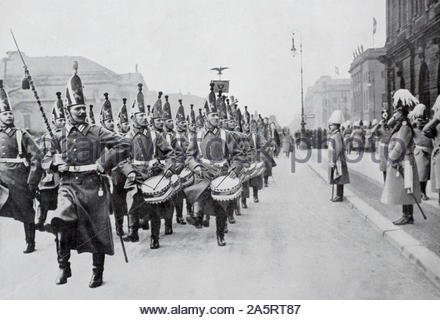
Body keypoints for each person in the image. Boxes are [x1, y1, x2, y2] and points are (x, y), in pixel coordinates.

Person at [44, 62, 131, 287]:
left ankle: (97, 272)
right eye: (77, 109)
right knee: (60, 223)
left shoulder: (96, 131)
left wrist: (104, 162)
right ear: (68, 112)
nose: (82, 112)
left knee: (97, 230)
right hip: (68, 186)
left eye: (83, 108)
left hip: (93, 186)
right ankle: (64, 267)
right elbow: (45, 157)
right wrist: (55, 162)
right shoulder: (58, 134)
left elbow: (124, 144)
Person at [184, 90, 244, 246]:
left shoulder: (226, 135)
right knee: (198, 192)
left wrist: (234, 169)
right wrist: (196, 166)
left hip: (222, 172)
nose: (216, 118)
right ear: (206, 118)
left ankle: (220, 234)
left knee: (220, 206)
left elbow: (238, 155)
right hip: (203, 172)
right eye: (213, 115)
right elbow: (189, 157)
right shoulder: (197, 135)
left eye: (218, 115)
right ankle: (196, 216)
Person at [121, 88, 176, 248]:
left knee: (154, 209)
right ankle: (133, 233)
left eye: (145, 115)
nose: (144, 118)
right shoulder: (128, 137)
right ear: (133, 118)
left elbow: (170, 153)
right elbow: (121, 159)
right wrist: (129, 171)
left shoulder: (154, 135)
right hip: (136, 176)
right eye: (141, 115)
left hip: (153, 174)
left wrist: (169, 166)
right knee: (133, 207)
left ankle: (155, 238)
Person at [0, 79, 43, 254]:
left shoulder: (21, 134)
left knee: (26, 211)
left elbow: (37, 156)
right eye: (4, 114)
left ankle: (30, 241)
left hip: (19, 178)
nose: (9, 116)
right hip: (1, 178)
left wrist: (32, 181)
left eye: (10, 113)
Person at [381, 89, 421, 225]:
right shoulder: (401, 125)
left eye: (397, 111)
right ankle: (406, 214)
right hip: (403, 160)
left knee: (407, 188)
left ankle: (408, 215)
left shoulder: (404, 126)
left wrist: (392, 158)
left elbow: (400, 145)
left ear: (401, 112)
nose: (395, 114)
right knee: (404, 188)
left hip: (404, 161)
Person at [36, 92, 65, 232]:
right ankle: (41, 220)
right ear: (53, 121)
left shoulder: (70, 135)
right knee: (45, 199)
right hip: (51, 173)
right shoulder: (46, 136)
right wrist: (52, 161)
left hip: (66, 172)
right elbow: (41, 156)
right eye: (59, 119)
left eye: (64, 119)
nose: (62, 122)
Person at [409, 104, 432, 200]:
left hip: (428, 150)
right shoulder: (414, 125)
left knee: (426, 174)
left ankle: (423, 191)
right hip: (419, 151)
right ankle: (421, 192)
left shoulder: (429, 122)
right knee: (421, 173)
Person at [328, 110, 350, 202]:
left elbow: (338, 148)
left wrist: (333, 160)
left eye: (332, 125)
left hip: (338, 159)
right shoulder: (335, 134)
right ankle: (338, 195)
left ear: (336, 125)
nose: (330, 126)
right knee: (337, 176)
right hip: (336, 159)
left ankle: (339, 195)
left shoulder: (337, 135)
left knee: (339, 177)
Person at [372, 109, 392, 182]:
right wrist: (379, 124)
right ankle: (385, 182)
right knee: (384, 167)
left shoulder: (391, 124)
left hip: (391, 147)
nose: (385, 115)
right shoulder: (380, 126)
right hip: (383, 147)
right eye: (383, 113)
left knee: (391, 166)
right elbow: (373, 132)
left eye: (386, 113)